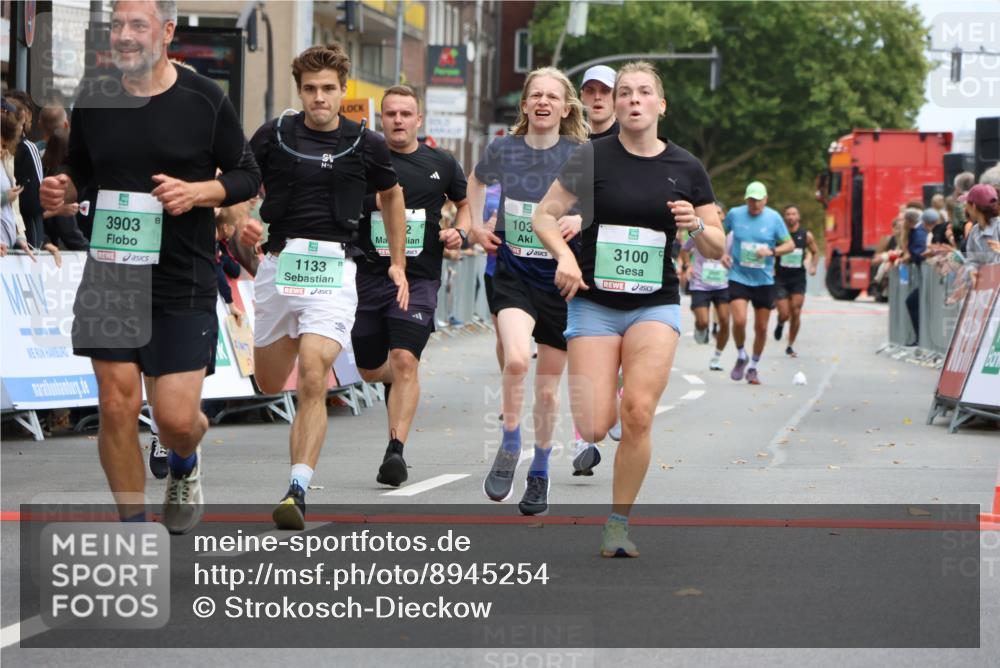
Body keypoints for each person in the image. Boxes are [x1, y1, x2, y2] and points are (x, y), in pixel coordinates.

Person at [40, 0, 261, 532]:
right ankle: (136, 528)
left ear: (166, 31)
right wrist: (63, 186)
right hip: (112, 275)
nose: (124, 35)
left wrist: (199, 191)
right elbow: (82, 169)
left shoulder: (204, 98)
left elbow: (246, 174)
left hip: (180, 278)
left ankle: (185, 460)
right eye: (117, 24)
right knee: (116, 405)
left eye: (137, 25)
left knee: (176, 420)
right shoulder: (95, 96)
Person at [532, 61, 724, 556]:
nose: (633, 100)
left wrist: (696, 226)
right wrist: (567, 257)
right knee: (596, 425)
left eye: (644, 93)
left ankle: (617, 523)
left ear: (661, 105)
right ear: (615, 105)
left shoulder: (686, 168)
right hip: (594, 304)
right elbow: (544, 216)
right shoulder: (592, 156)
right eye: (624, 93)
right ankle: (610, 387)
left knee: (637, 412)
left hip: (653, 305)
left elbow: (718, 248)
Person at [242, 44, 407, 530]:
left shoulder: (367, 143)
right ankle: (290, 339)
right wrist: (235, 222)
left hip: (334, 269)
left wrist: (397, 262)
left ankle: (296, 488)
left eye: (328, 89)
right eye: (311, 89)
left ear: (343, 90)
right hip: (278, 266)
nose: (319, 98)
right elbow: (238, 185)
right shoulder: (273, 135)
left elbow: (391, 196)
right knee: (271, 382)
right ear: (300, 91)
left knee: (314, 373)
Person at [467, 67, 588, 516]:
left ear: (565, 107)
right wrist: (478, 227)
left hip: (560, 281)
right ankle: (510, 440)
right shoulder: (504, 148)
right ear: (524, 105)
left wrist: (581, 219)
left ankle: (539, 471)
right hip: (514, 274)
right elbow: (475, 182)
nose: (542, 102)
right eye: (535, 95)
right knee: (516, 360)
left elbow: (599, 201)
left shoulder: (580, 153)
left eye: (551, 97)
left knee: (550, 391)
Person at [351, 85, 469, 487]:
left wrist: (461, 232)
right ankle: (389, 379)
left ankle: (395, 451)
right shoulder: (363, 159)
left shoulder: (441, 163)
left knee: (405, 359)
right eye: (391, 114)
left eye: (406, 113)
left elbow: (465, 204)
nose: (398, 120)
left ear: (418, 119)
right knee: (369, 369)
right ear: (382, 119)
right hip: (369, 275)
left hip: (419, 278)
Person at [724, 182, 794, 384]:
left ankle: (753, 366)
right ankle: (741, 354)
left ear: (766, 199)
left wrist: (771, 252)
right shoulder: (735, 214)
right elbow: (718, 233)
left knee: (761, 328)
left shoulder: (774, 218)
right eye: (751, 200)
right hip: (738, 276)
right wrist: (721, 253)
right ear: (746, 199)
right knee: (739, 321)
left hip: (763, 280)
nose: (755, 204)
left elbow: (789, 245)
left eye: (759, 200)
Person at [680, 203, 733, 369]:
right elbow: (684, 249)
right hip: (700, 284)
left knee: (725, 321)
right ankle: (700, 328)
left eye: (718, 213)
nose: (716, 215)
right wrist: (687, 265)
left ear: (723, 216)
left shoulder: (731, 236)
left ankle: (717, 357)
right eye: (713, 213)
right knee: (703, 322)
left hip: (722, 284)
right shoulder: (698, 232)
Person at [773, 204, 819, 358]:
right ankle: (780, 323)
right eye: (788, 214)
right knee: (785, 314)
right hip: (780, 278)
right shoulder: (779, 234)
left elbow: (815, 252)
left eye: (794, 214)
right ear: (784, 217)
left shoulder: (806, 235)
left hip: (798, 278)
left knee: (796, 311)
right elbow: (771, 251)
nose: (791, 216)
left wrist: (813, 266)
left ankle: (790, 345)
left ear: (798, 217)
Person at [39, 129, 89, 250]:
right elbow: (70, 234)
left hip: (38, 242)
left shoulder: (40, 172)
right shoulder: (61, 185)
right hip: (48, 251)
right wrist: (91, 251)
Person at [1, 112, 32, 258]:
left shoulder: (6, 161)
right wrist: (4, 197)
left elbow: (13, 207)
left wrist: (20, 235)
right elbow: (7, 199)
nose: (2, 149)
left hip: (7, 246)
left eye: (4, 144)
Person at [960, 183, 1000, 287]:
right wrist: (971, 270)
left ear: (973, 206)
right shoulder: (974, 231)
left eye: (966, 204)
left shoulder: (998, 227)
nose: (965, 208)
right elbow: (971, 260)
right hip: (985, 295)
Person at [580, 65, 618, 140]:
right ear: (582, 96)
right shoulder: (571, 140)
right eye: (590, 91)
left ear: (617, 96)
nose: (597, 97)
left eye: (605, 91)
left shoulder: (627, 138)